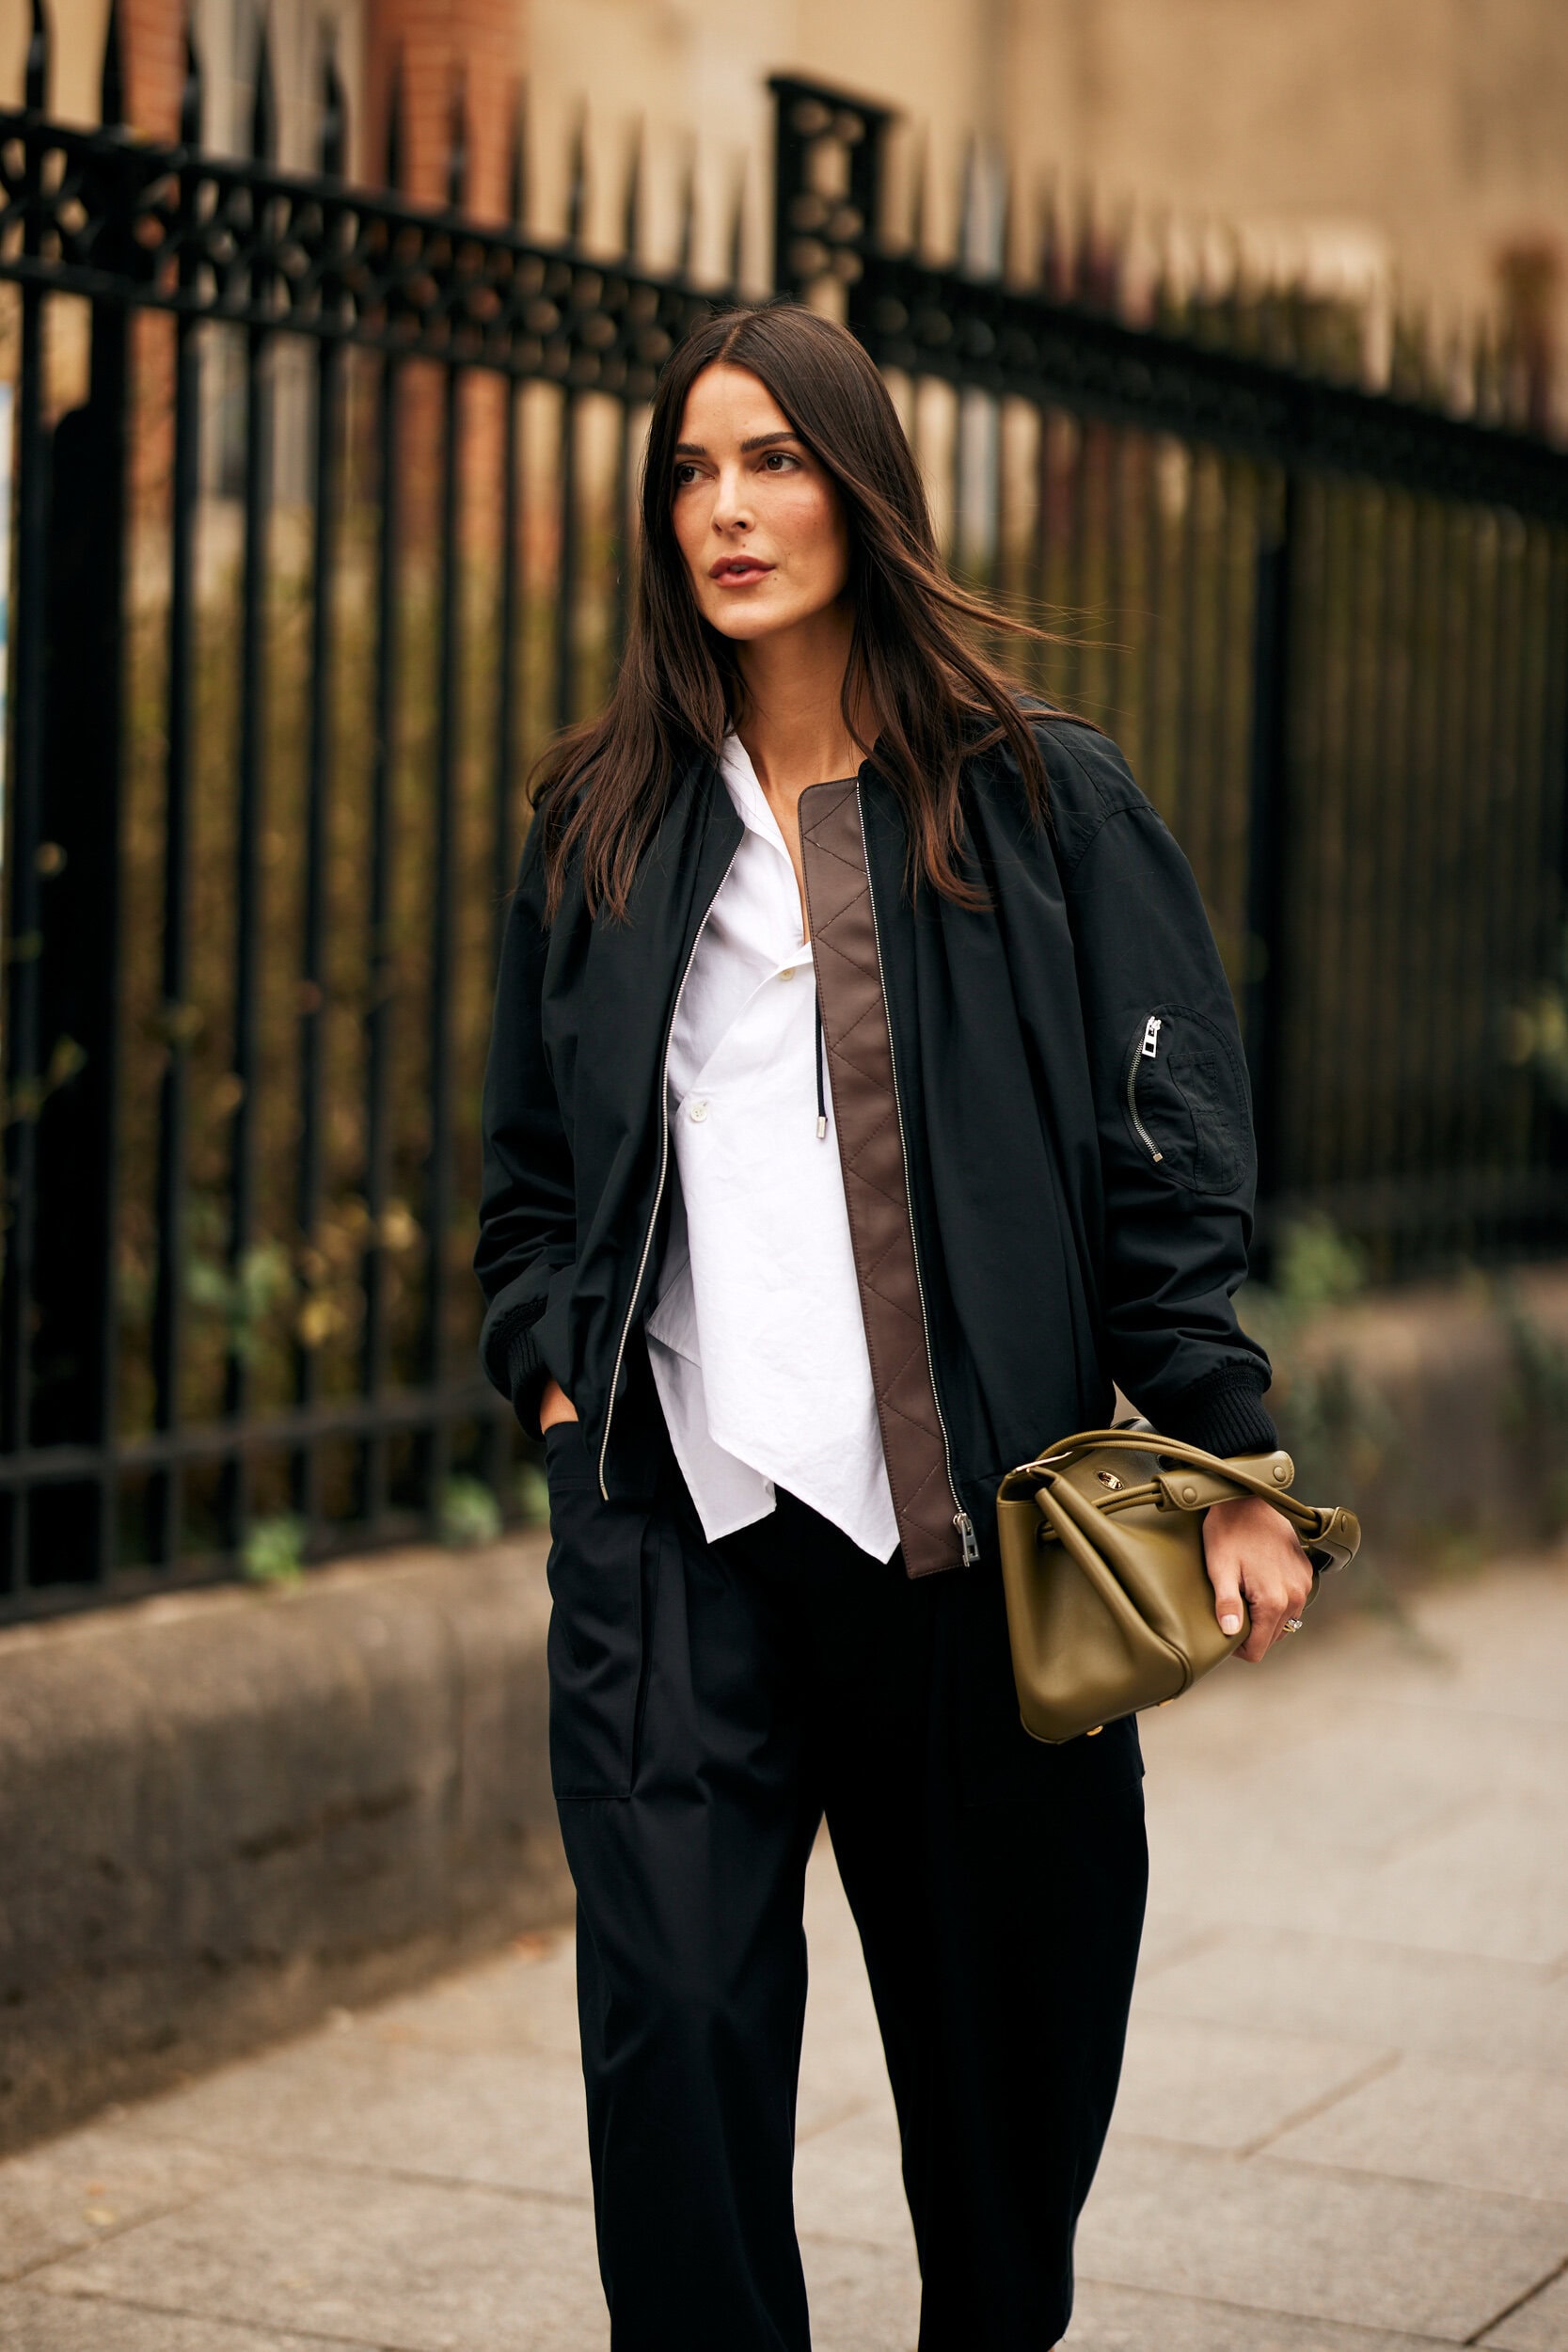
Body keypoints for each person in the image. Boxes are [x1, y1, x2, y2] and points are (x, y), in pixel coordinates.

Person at [476, 301, 1313, 2352]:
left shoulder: (1041, 803)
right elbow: (524, 1176)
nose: (727, 508)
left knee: (1006, 2060)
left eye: (773, 460)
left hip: (967, 1550)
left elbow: (1162, 1158)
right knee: (671, 2029)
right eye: (692, 469)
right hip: (676, 1533)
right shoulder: (601, 822)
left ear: (860, 486)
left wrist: (1229, 1450)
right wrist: (558, 1379)